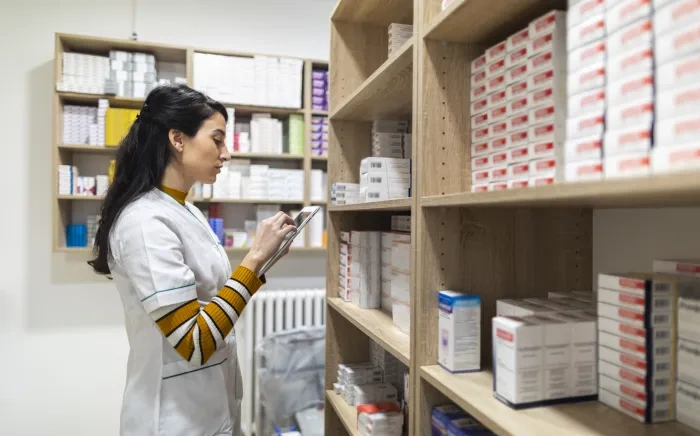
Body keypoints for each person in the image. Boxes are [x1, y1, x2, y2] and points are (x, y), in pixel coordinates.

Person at [89, 84, 296, 436]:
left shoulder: (185, 211)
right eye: (217, 140)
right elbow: (194, 342)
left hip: (208, 407)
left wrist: (261, 261)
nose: (226, 154)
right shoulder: (144, 222)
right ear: (177, 139)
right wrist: (254, 258)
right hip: (171, 418)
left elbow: (214, 300)